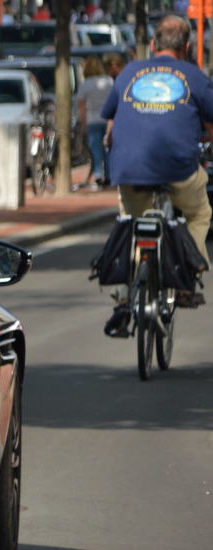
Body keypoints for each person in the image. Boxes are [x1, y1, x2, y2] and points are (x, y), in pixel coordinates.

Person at [102, 14, 213, 331]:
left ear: (152, 44)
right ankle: (186, 279)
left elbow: (111, 121)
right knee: (199, 212)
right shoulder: (194, 75)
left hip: (129, 168)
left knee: (134, 222)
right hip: (178, 167)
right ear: (187, 47)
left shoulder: (128, 73)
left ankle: (126, 293)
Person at [75, 56, 113, 189]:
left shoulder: (86, 84)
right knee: (108, 148)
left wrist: (83, 121)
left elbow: (81, 105)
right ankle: (109, 175)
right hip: (108, 119)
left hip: (92, 119)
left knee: (96, 149)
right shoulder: (109, 81)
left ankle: (97, 174)